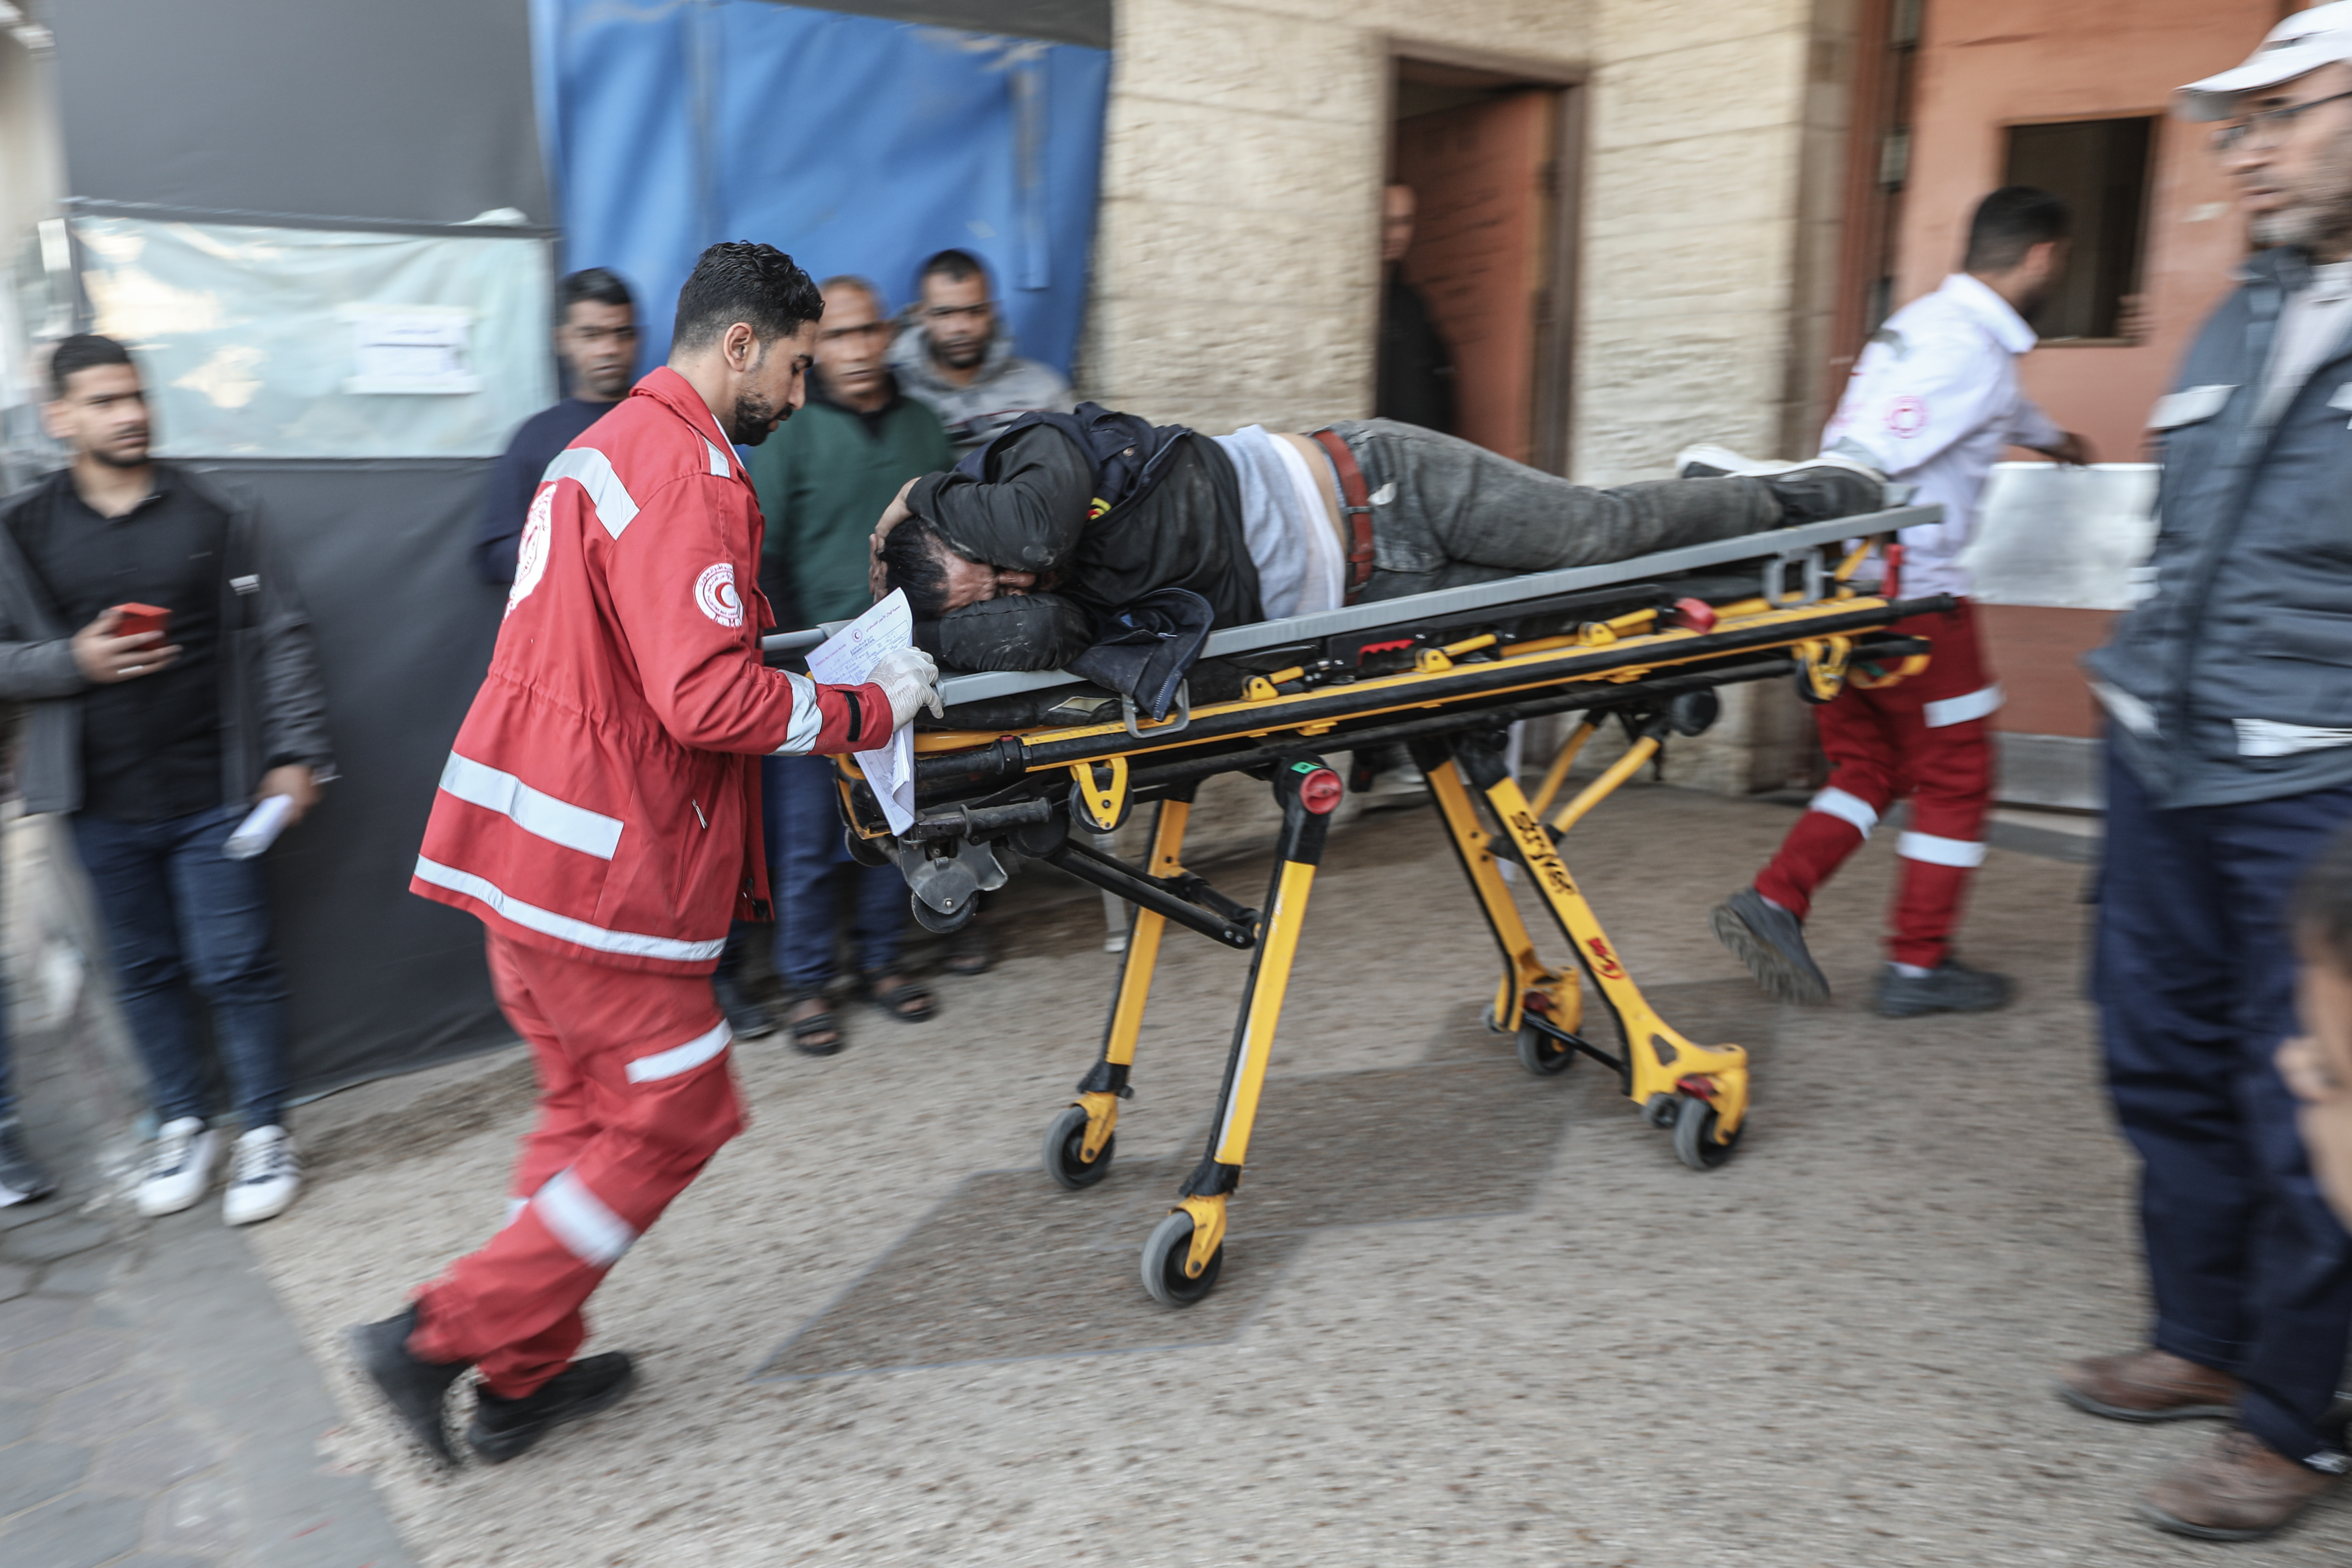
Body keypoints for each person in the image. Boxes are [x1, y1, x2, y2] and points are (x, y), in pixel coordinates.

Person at [347, 243, 942, 1467]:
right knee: (679, 1110)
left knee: (583, 1115)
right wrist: (872, 710)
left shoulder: (601, 447)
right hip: (604, 875)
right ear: (741, 344)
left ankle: (521, 1379)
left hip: (523, 852)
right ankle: (433, 1338)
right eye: (793, 366)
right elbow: (703, 700)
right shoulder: (692, 469)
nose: (800, 393)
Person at [2055, 6, 2352, 1539]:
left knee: (2307, 1095)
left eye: (2280, 113)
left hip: (2316, 780)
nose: (2243, 149)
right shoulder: (2245, 307)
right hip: (2162, 756)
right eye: (2235, 122)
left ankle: (2292, 1423)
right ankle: (2204, 1334)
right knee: (2159, 1056)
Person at [1703, 187, 2091, 1020]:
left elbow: (1998, 409)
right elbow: (1867, 453)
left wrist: (2059, 442)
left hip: (1845, 593)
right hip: (1911, 600)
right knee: (1958, 775)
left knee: (1870, 766)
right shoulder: (1968, 351)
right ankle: (1918, 964)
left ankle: (1775, 900)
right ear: (2042, 256)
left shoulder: (1933, 327)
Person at [0, 334, 331, 1227]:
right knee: (143, 968)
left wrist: (296, 753)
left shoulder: (218, 509)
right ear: (58, 417)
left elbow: (283, 634)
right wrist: (71, 660)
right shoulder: (20, 528)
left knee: (237, 963)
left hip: (216, 790)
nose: (131, 415)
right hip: (96, 799)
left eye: (136, 396)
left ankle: (265, 1131)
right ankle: (184, 1124)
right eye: (104, 402)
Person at [873, 405, 1888, 673]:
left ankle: (1781, 498)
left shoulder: (1041, 456)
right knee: (1596, 600)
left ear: (968, 508)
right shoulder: (1058, 602)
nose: (1012, 580)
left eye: (986, 564)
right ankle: (1751, 552)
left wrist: (917, 492)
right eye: (990, 593)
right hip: (1367, 597)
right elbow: (1028, 630)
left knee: (1601, 530)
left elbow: (1033, 535)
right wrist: (935, 622)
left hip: (1388, 487)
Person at [749, 276, 953, 1053]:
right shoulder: (789, 431)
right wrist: (791, 663)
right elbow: (763, 551)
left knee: (895, 818)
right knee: (810, 831)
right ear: (814, 347)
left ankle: (882, 962)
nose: (858, 350)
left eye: (869, 331)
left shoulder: (923, 424)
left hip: (903, 661)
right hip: (810, 667)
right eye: (838, 336)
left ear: (890, 334)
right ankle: (806, 982)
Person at [474, 268, 639, 585]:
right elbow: (497, 554)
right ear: (562, 340)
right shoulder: (535, 438)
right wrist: (578, 553)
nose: (610, 348)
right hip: (567, 610)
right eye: (591, 335)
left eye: (622, 333)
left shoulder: (668, 427)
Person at [887, 249, 1072, 454]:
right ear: (920, 316)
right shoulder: (895, 396)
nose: (961, 327)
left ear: (993, 311)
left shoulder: (1044, 389)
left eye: (975, 312)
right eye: (945, 314)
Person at [1375, 183, 1457, 434]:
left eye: (1404, 222)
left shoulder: (1413, 304)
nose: (1394, 234)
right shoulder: (1354, 301)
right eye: (1386, 221)